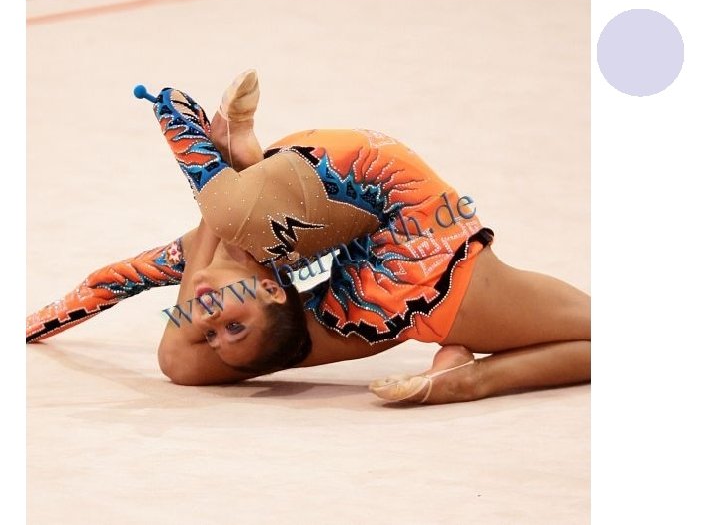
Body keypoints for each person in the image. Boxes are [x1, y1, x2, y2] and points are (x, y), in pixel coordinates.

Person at [26, 71, 590, 405]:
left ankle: (239, 157)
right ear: (272, 293)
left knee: (240, 219)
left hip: (314, 191)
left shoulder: (204, 259)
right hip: (419, 245)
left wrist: (32, 325)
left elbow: (120, 295)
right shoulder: (318, 309)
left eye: (209, 331)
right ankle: (467, 382)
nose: (208, 320)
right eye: (232, 326)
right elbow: (183, 358)